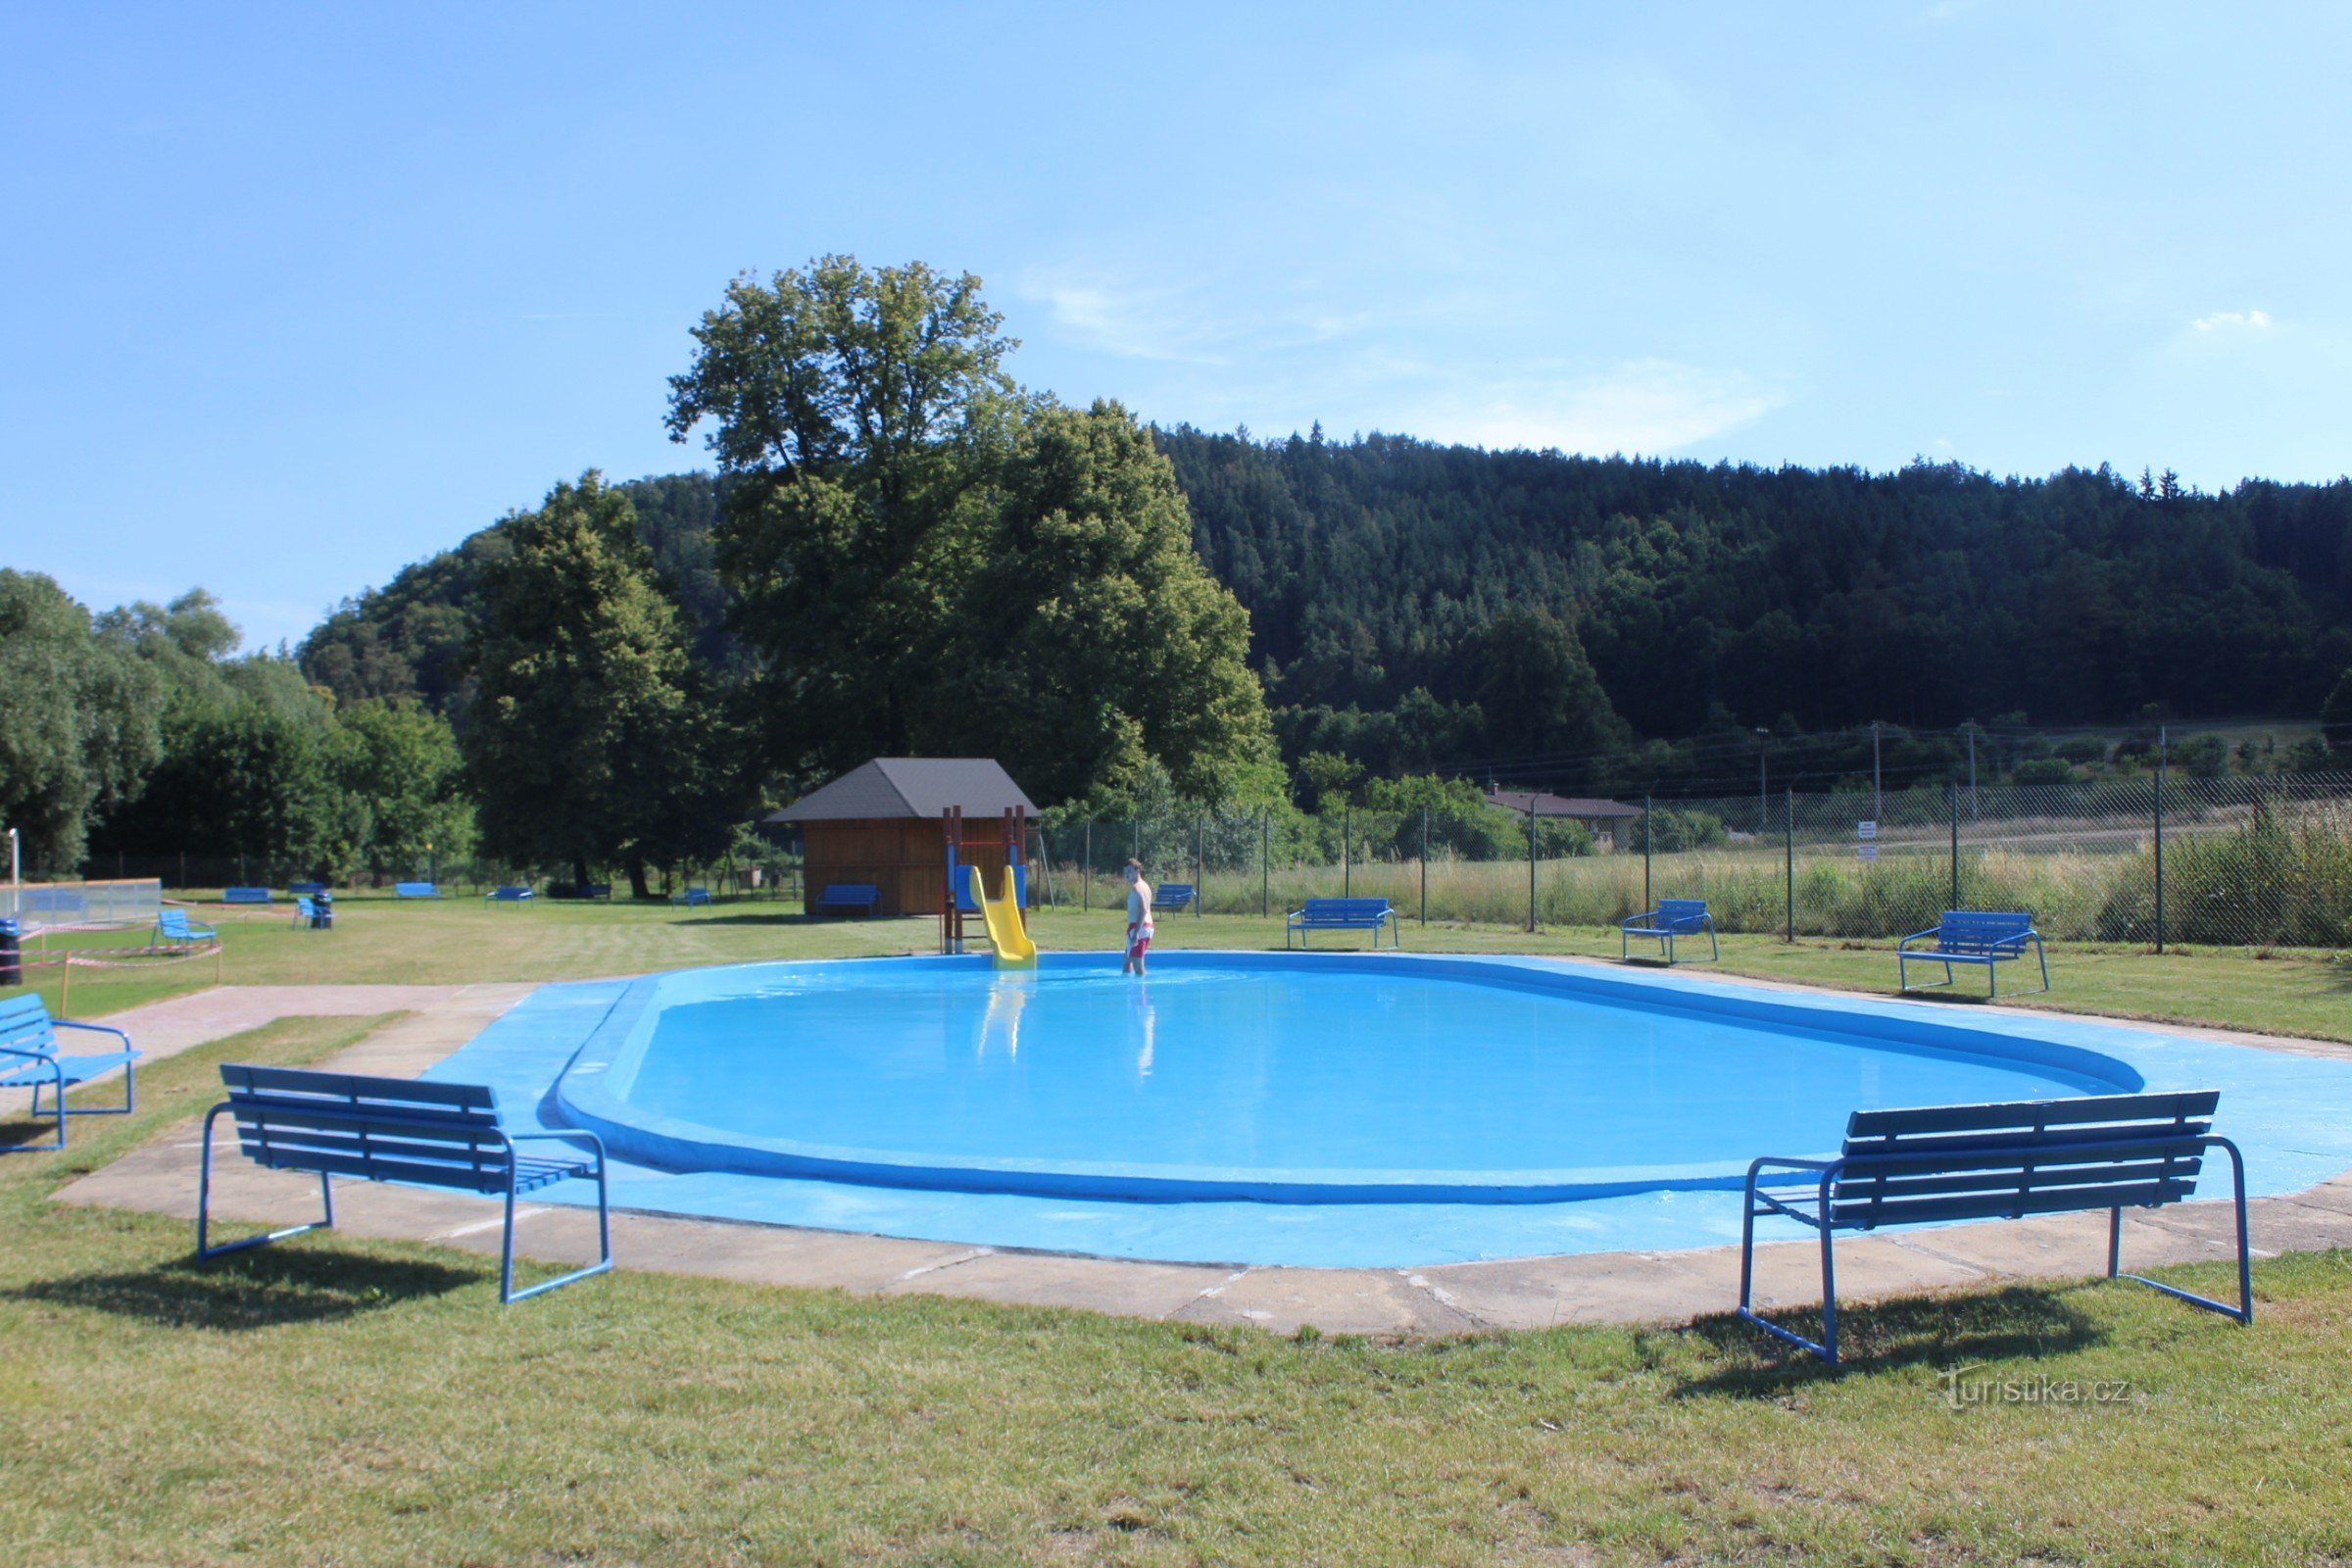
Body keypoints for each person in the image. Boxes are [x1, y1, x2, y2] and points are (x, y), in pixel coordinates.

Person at [1122, 858, 1153, 975]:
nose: (1127, 875)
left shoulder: (1137, 887)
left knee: (1137, 966)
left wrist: (1136, 933)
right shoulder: (1145, 886)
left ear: (1137, 871)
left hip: (1139, 927)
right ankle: (1130, 988)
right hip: (1145, 927)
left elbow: (1143, 909)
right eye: (1125, 872)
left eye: (1129, 871)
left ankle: (1141, 992)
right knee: (1127, 962)